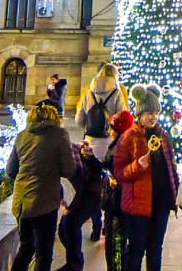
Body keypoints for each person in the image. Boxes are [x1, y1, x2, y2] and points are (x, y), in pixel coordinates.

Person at [114, 84, 178, 271]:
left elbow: (171, 167)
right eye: (149, 112)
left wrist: (177, 193)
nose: (153, 117)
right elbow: (118, 171)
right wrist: (137, 166)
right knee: (136, 250)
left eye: (156, 112)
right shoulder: (129, 137)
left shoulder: (163, 135)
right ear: (140, 114)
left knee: (155, 248)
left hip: (161, 202)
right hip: (138, 204)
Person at [6, 102, 76, 271]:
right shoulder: (59, 134)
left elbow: (10, 170)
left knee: (26, 247)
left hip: (22, 202)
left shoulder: (22, 135)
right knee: (43, 253)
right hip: (45, 201)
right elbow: (69, 169)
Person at [77, 63, 127, 241]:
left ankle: (96, 224)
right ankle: (107, 222)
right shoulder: (117, 91)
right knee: (110, 183)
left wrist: (90, 130)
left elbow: (79, 119)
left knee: (92, 183)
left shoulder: (89, 90)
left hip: (90, 144)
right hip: (109, 143)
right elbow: (124, 116)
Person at [58, 138, 104, 271]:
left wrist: (69, 207)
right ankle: (75, 260)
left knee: (70, 224)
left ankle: (75, 265)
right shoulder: (67, 148)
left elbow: (77, 182)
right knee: (64, 229)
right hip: (85, 192)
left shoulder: (68, 153)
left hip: (89, 194)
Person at [101, 110, 135, 271]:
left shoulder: (122, 146)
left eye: (112, 128)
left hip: (117, 202)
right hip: (115, 200)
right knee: (115, 243)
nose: (109, 131)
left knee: (116, 244)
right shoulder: (119, 143)